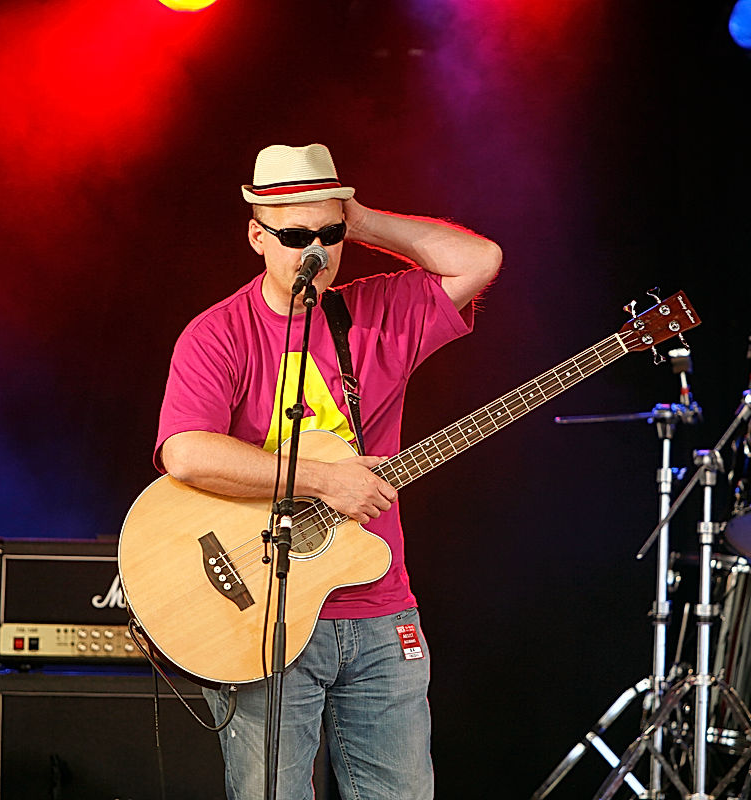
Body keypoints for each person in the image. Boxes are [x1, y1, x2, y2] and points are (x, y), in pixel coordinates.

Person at [153, 143, 502, 800]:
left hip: (380, 610)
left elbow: (480, 260)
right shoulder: (219, 333)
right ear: (257, 235)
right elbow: (186, 452)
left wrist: (363, 219)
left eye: (328, 233)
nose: (315, 247)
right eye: (294, 235)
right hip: (266, 613)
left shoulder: (378, 312)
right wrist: (321, 479)